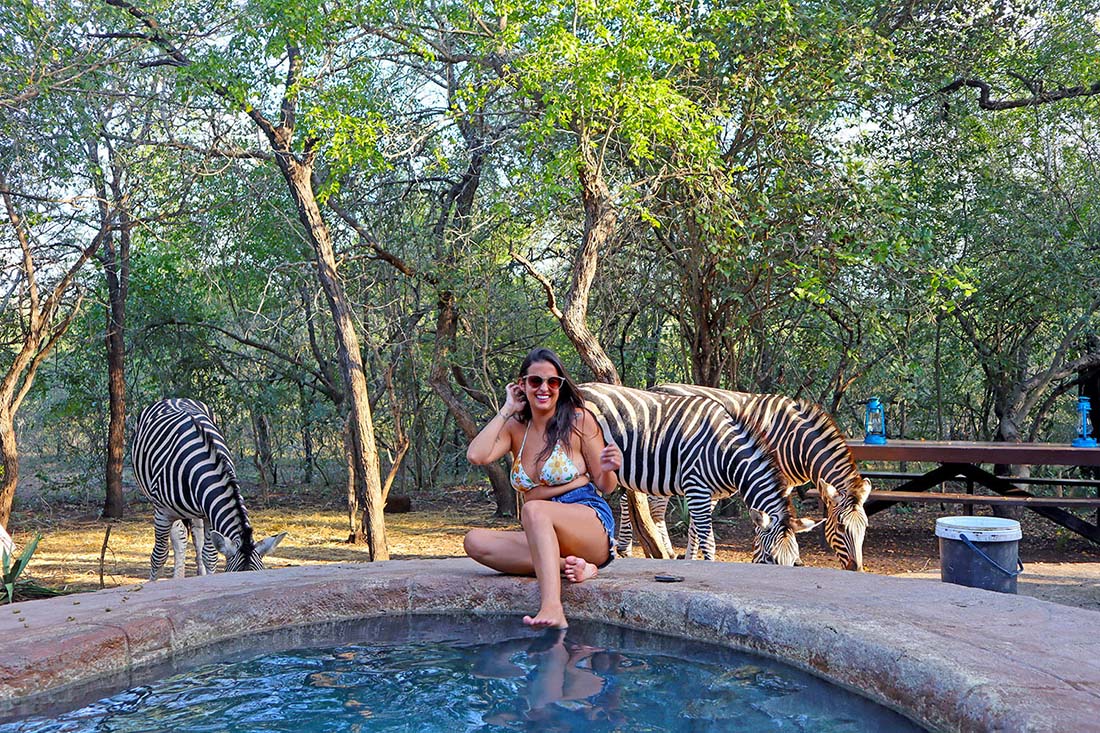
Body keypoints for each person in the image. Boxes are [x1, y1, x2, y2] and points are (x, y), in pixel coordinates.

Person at [465, 347, 621, 629]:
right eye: (535, 381)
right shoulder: (515, 427)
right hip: (543, 532)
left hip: (587, 519)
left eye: (553, 382)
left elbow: (605, 486)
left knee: (534, 509)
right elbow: (476, 455)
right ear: (522, 384)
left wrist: (610, 467)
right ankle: (573, 567)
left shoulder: (578, 420)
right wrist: (507, 409)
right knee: (474, 542)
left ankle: (552, 607)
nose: (544, 388)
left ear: (561, 385)